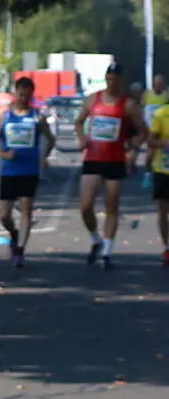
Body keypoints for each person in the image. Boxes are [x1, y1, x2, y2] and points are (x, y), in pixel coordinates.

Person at [73, 62, 147, 269]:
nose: (111, 82)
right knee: (85, 207)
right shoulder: (93, 100)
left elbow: (143, 131)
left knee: (111, 207)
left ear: (121, 81)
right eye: (108, 78)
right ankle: (96, 239)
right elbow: (78, 122)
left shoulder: (128, 104)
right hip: (93, 159)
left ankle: (107, 251)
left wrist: (133, 149)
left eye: (115, 79)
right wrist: (83, 137)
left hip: (115, 160)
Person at [0, 76, 54, 267]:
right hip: (9, 170)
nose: (23, 98)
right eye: (20, 94)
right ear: (15, 93)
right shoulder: (5, 118)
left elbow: (51, 140)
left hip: (29, 169)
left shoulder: (37, 118)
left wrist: (44, 157)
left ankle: (20, 250)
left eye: (26, 94)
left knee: (26, 209)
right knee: (4, 215)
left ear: (31, 95)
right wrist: (3, 153)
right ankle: (14, 234)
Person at [145, 99, 169, 265]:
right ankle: (167, 247)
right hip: (163, 170)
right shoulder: (162, 114)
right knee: (163, 212)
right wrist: (165, 143)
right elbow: (151, 141)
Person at [142, 73, 168, 188]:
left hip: (162, 129)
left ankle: (161, 174)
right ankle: (147, 175)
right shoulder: (147, 94)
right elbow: (141, 109)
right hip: (150, 128)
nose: (158, 85)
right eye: (156, 83)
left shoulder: (166, 95)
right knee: (149, 155)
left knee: (162, 155)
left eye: (160, 83)